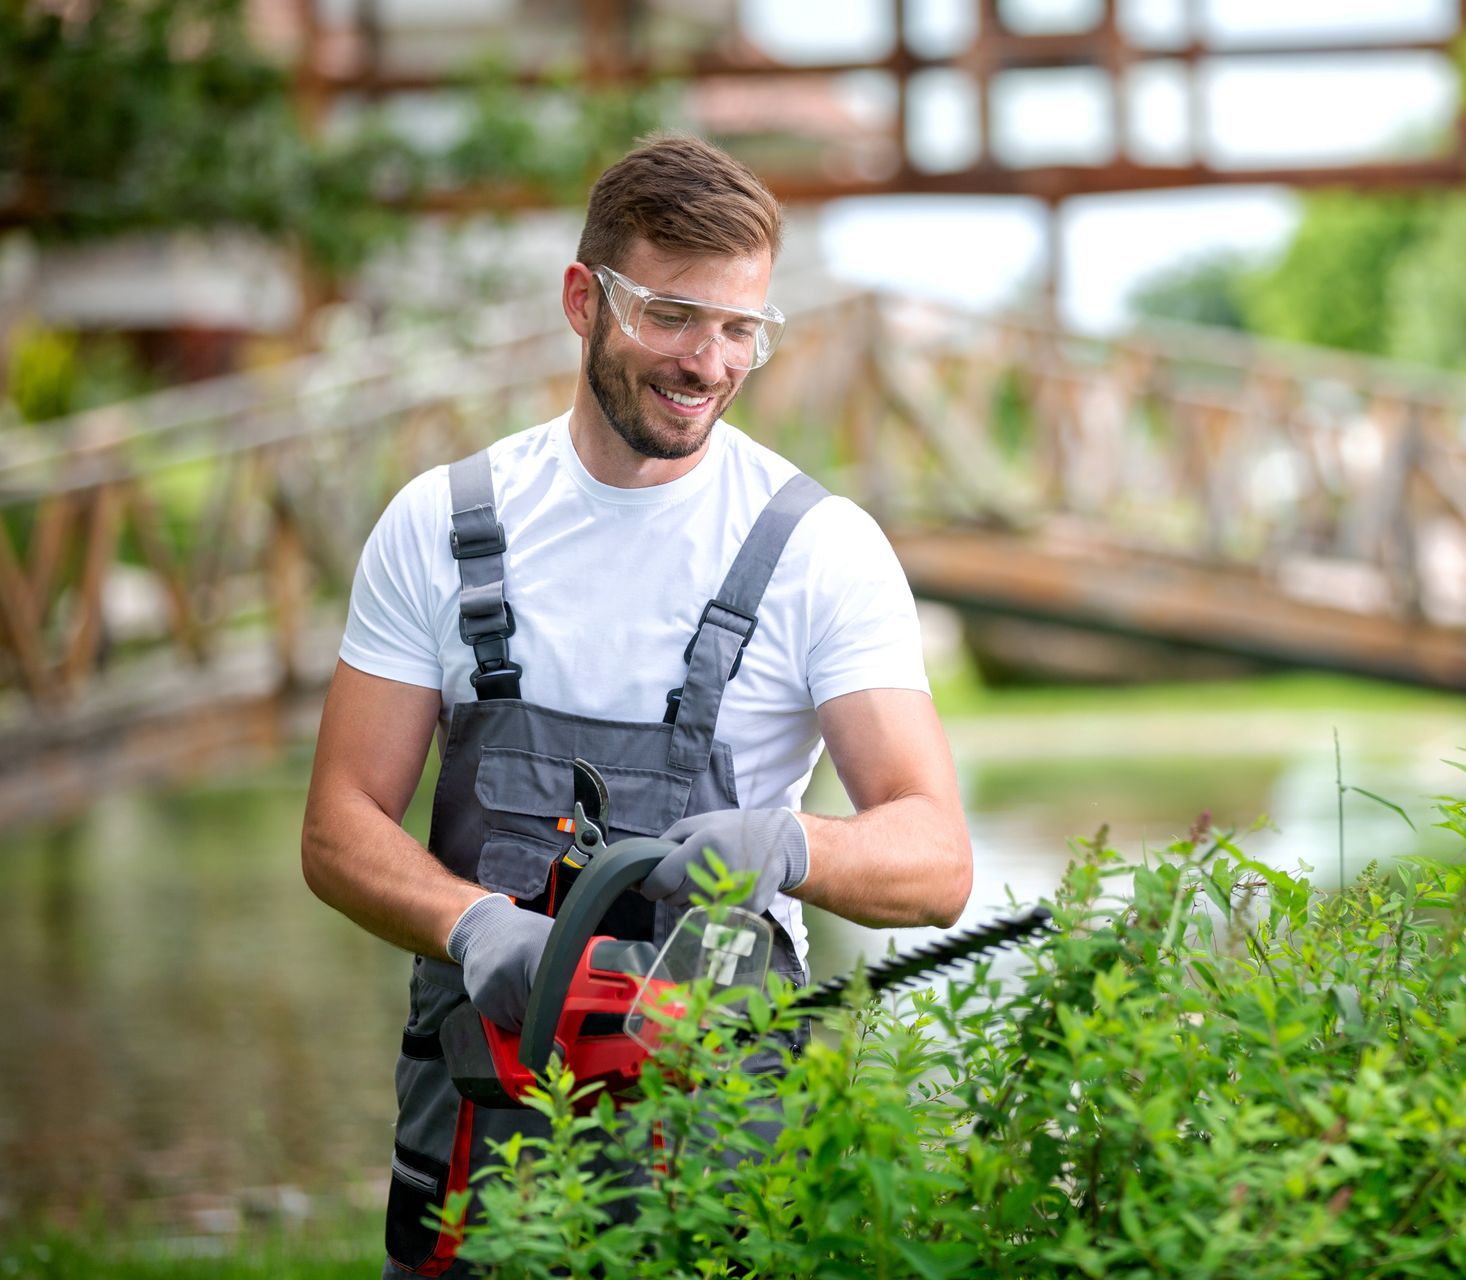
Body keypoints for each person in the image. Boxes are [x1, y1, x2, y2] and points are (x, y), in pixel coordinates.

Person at [300, 133, 973, 1278]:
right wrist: (472, 925)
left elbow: (938, 858)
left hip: (721, 1123)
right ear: (584, 299)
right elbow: (335, 829)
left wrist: (790, 841)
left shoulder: (820, 549)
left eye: (739, 329)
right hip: (478, 1116)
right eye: (671, 314)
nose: (707, 360)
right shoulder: (439, 522)